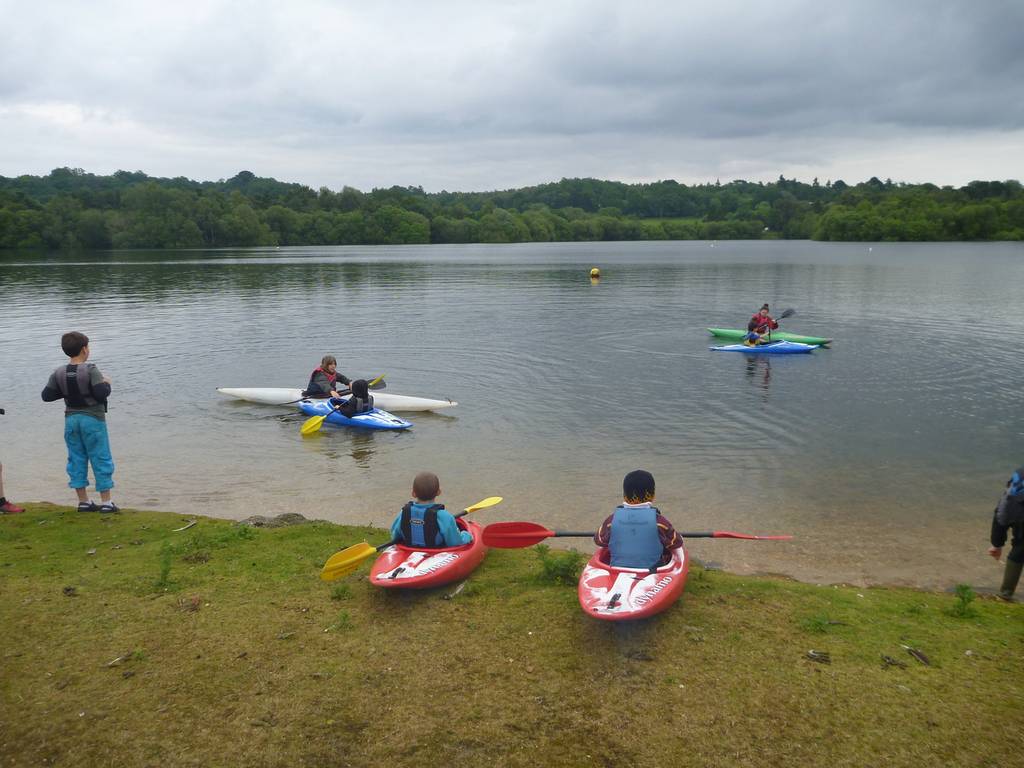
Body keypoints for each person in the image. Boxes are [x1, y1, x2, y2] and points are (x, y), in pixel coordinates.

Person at [40, 331, 118, 513]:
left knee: (76, 458)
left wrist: (67, 392)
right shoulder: (91, 369)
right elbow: (100, 394)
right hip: (93, 420)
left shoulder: (58, 372)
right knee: (100, 457)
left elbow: (47, 396)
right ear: (84, 349)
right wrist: (107, 383)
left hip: (71, 420)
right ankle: (106, 503)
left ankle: (83, 501)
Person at [594, 470, 683, 569]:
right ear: (652, 495)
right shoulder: (660, 522)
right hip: (650, 571)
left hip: (617, 569)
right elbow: (676, 542)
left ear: (624, 496)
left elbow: (599, 540)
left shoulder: (611, 520)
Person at [390, 472, 473, 549]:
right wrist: (466, 535)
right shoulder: (444, 516)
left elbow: (395, 535)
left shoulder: (404, 513)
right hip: (435, 549)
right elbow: (454, 543)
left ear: (413, 493)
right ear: (438, 492)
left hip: (409, 547)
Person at [988, 465, 1024, 601]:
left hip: (1017, 513)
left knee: (1019, 549)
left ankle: (1006, 594)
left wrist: (996, 544)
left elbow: (1001, 512)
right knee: (1020, 548)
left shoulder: (1019, 475)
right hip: (1018, 513)